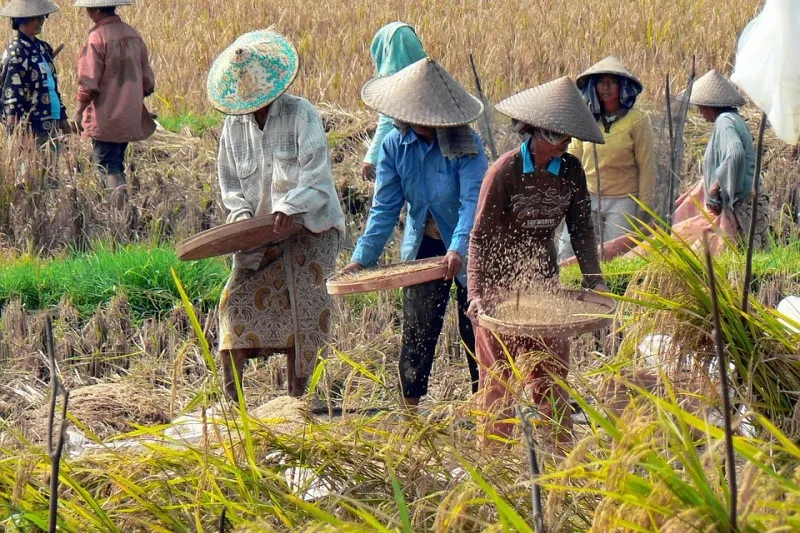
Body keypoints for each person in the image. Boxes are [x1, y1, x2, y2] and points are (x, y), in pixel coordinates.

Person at [467, 77, 609, 444]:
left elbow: (581, 230)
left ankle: (558, 460)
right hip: (499, 289)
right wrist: (476, 293)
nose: (567, 144)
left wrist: (595, 280)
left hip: (543, 284)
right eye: (560, 137)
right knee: (498, 384)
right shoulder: (505, 172)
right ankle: (495, 464)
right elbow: (480, 237)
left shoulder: (572, 172)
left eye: (569, 138)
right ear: (539, 133)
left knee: (551, 379)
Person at [207, 28, 345, 401]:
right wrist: (240, 220)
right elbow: (231, 185)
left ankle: (299, 406)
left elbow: (316, 177)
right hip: (259, 234)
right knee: (232, 306)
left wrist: (288, 207)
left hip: (309, 228)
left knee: (303, 316)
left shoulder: (302, 114)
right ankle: (234, 411)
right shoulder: (233, 126)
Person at [342, 57, 488, 406]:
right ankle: (411, 409)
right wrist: (362, 259)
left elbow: (473, 201)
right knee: (419, 330)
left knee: (475, 328)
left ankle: (485, 408)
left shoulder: (466, 145)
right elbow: (385, 207)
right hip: (424, 241)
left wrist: (457, 248)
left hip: (470, 246)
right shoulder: (394, 145)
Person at [558, 56, 657, 262]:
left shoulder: (637, 121)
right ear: (594, 87)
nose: (606, 87)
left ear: (623, 87)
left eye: (612, 82)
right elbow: (574, 155)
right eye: (601, 82)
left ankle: (611, 292)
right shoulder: (586, 117)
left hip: (623, 199)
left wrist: (644, 209)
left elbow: (647, 166)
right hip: (588, 194)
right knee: (567, 249)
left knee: (615, 255)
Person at [73, 0, 156, 209]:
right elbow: (147, 82)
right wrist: (130, 99)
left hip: (105, 118)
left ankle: (122, 217)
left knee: (109, 169)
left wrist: (78, 112)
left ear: (96, 10)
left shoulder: (96, 38)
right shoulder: (133, 35)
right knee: (117, 163)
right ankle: (124, 211)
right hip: (129, 118)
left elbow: (89, 83)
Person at [687, 70, 769, 249]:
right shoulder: (732, 119)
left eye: (700, 106)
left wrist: (716, 187)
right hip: (745, 204)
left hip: (742, 209)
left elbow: (735, 153)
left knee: (730, 259)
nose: (699, 112)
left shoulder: (724, 121)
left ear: (710, 105)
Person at [0, 0, 68, 167]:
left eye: (42, 17)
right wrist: (17, 129)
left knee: (51, 171)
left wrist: (62, 115)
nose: (41, 21)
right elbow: (11, 92)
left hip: (50, 117)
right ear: (21, 21)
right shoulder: (15, 52)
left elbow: (52, 84)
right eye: (35, 18)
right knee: (33, 173)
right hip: (31, 123)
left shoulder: (43, 48)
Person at [361, 22, 426, 182]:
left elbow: (389, 119)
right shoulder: (430, 74)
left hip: (408, 152)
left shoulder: (392, 79)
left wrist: (371, 156)